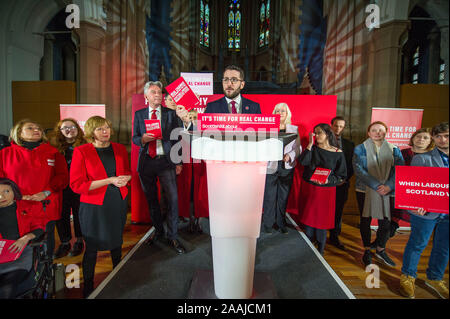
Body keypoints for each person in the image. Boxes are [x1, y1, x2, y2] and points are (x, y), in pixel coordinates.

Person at [70, 116, 131, 298]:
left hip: (117, 202)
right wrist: (109, 180)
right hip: (93, 206)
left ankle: (117, 277)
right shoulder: (81, 151)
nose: (105, 132)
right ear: (91, 133)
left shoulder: (119, 149)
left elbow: (127, 172)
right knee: (92, 247)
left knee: (116, 243)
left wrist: (126, 178)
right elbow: (76, 185)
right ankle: (88, 285)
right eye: (100, 129)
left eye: (107, 128)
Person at [0, 119, 68, 260]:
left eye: (38, 128)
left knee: (46, 241)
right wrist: (17, 196)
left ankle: (47, 270)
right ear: (19, 132)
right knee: (17, 243)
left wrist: (46, 192)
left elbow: (62, 177)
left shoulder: (53, 152)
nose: (36, 130)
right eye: (30, 128)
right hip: (15, 206)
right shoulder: (5, 154)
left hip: (46, 204)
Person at [132, 81, 186, 254]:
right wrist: (143, 140)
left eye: (159, 92)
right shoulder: (139, 114)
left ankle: (173, 236)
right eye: (153, 92)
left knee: (173, 199)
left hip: (166, 161)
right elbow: (135, 138)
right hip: (146, 161)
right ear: (146, 96)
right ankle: (158, 231)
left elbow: (178, 138)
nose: (158, 94)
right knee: (152, 200)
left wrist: (178, 162)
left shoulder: (170, 114)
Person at [399, 122, 449, 299]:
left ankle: (435, 278)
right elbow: (415, 187)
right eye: (439, 136)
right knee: (417, 244)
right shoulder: (422, 158)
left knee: (444, 247)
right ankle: (408, 276)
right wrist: (415, 204)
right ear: (434, 139)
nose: (443, 139)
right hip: (425, 212)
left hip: (448, 214)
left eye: (447, 136)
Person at [353, 121, 404, 268]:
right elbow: (359, 170)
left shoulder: (395, 150)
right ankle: (367, 250)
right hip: (365, 190)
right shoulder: (360, 149)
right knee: (365, 220)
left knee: (386, 223)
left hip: (388, 191)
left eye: (381, 130)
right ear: (369, 133)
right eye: (374, 130)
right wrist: (377, 186)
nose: (377, 133)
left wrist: (388, 186)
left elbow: (399, 170)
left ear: (386, 132)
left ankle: (381, 249)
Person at [298, 124, 347, 255]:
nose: (316, 135)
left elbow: (342, 176)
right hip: (311, 190)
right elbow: (302, 162)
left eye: (319, 133)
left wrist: (329, 181)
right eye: (314, 133)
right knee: (309, 222)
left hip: (327, 192)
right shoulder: (312, 149)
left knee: (322, 223)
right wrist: (309, 144)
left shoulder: (338, 153)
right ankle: (306, 251)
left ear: (327, 134)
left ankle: (320, 252)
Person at [0, 178, 45, 299]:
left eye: (6, 191)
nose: (1, 196)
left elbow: (40, 227)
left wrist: (25, 238)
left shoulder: (29, 206)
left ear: (14, 191)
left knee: (6, 288)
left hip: (21, 253)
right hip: (1, 253)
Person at [262, 103, 301, 234]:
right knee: (269, 195)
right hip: (270, 165)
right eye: (277, 110)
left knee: (283, 196)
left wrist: (290, 156)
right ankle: (268, 223)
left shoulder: (294, 129)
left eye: (283, 111)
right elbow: (262, 145)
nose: (280, 112)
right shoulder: (268, 128)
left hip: (286, 166)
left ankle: (280, 222)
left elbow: (298, 147)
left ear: (287, 113)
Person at [50, 119, 86, 258]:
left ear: (78, 129)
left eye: (72, 127)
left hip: (79, 186)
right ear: (60, 131)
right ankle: (65, 243)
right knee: (61, 215)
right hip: (61, 187)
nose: (69, 129)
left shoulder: (85, 145)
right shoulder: (54, 147)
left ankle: (79, 241)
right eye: (65, 128)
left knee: (78, 214)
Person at [390, 128, 435, 236]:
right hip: (399, 192)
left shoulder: (433, 157)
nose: (421, 139)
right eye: (418, 136)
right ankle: (380, 245)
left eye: (425, 138)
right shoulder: (403, 153)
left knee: (419, 230)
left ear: (430, 141)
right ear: (413, 138)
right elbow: (392, 171)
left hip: (421, 196)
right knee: (390, 223)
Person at [329, 116, 355, 250]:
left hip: (342, 184)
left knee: (338, 211)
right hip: (325, 183)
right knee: (324, 209)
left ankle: (334, 237)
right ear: (331, 125)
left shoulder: (349, 144)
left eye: (341, 126)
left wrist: (343, 179)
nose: (338, 128)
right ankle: (319, 236)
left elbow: (351, 165)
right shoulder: (323, 140)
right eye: (336, 125)